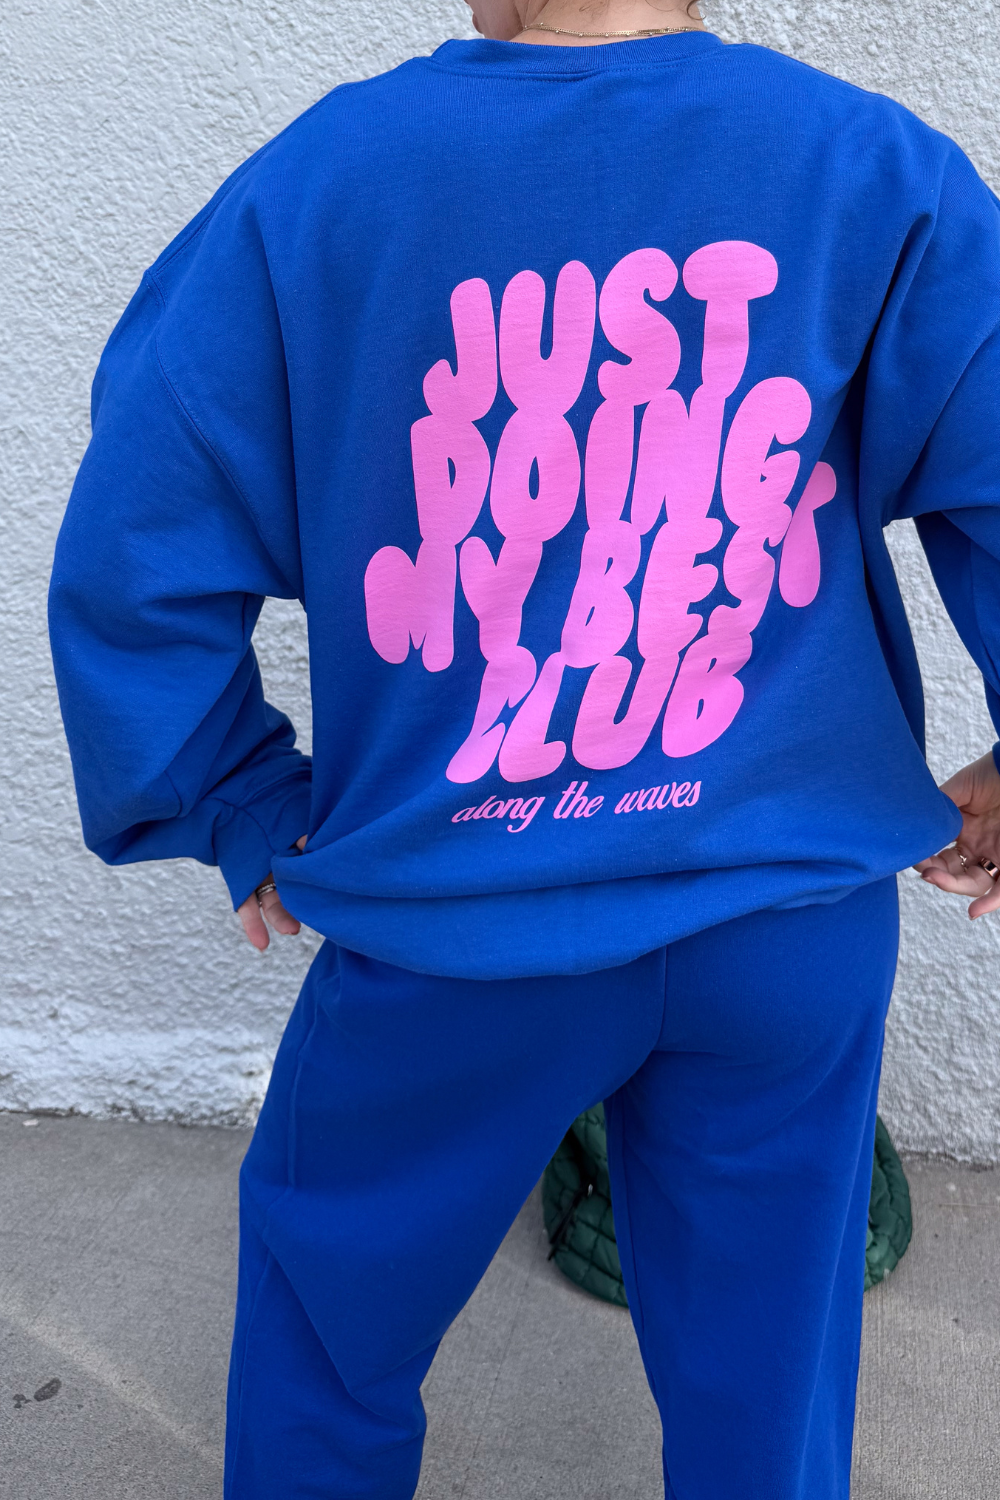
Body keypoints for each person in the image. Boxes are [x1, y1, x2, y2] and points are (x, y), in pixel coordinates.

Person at [48, 1, 1000, 1495]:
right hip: (785, 922)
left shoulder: (323, 184)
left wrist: (230, 792)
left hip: (454, 932)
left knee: (327, 1339)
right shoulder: (867, 166)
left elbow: (136, 536)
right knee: (769, 1370)